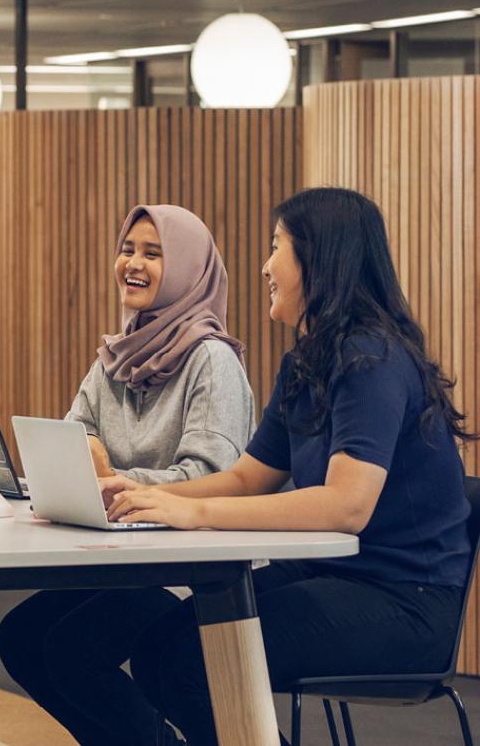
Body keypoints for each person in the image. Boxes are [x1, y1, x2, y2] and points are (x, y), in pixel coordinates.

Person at [85, 187, 472, 746]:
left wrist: (195, 515)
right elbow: (248, 477)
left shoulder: (372, 358)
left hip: (404, 600)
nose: (266, 266)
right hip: (336, 577)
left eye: (277, 248)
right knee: (157, 648)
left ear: (319, 259)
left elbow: (347, 505)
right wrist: (149, 494)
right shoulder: (306, 362)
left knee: (190, 662)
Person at [0, 204, 254, 745]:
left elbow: (213, 474)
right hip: (126, 561)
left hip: (190, 572)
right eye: (128, 249)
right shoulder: (114, 359)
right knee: (21, 638)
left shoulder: (213, 360)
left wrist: (117, 479)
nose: (132, 263)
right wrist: (83, 458)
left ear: (187, 270)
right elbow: (74, 437)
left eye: (153, 254)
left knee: (70, 652)